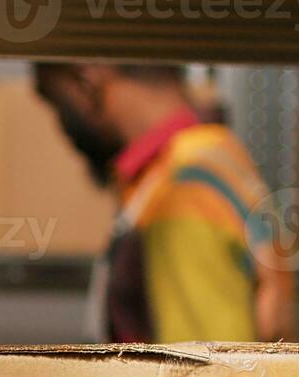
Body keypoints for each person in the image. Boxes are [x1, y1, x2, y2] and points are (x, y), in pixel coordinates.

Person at [33, 62, 294, 344]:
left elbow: (202, 376)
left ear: (87, 79)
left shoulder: (182, 192)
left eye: (58, 101)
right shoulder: (212, 152)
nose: (64, 126)